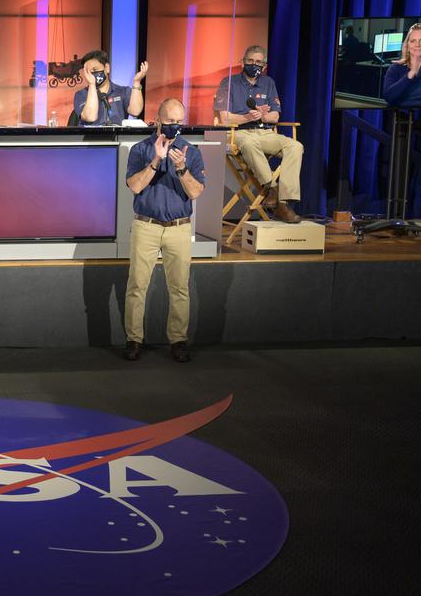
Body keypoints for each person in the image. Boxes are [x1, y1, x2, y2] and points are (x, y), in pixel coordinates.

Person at [123, 99, 205, 364]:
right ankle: (134, 340)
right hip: (146, 225)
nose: (174, 127)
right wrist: (156, 160)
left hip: (178, 228)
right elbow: (135, 186)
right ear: (157, 120)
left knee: (179, 287)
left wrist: (181, 168)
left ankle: (178, 340)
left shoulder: (190, 152)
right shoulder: (140, 150)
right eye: (169, 121)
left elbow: (195, 192)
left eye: (178, 122)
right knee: (137, 286)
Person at [213, 45, 303, 223]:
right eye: (250, 61)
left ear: (264, 65)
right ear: (242, 62)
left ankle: (284, 200)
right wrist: (247, 117)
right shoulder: (228, 82)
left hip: (265, 132)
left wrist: (262, 115)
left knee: (295, 146)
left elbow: (275, 116)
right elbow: (224, 118)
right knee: (248, 143)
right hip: (238, 133)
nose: (254, 65)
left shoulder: (268, 83)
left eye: (258, 62)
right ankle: (272, 189)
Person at [73, 50, 147, 125]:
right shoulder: (81, 95)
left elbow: (135, 111)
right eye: (88, 72)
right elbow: (90, 117)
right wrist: (92, 85)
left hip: (117, 136)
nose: (92, 75)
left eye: (95, 70)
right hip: (91, 136)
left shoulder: (122, 91)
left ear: (107, 68)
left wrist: (137, 82)